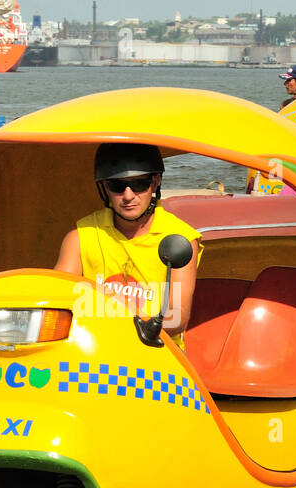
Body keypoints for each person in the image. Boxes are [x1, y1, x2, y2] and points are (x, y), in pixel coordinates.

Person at [54, 143, 202, 344]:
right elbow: (57, 300)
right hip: (94, 348)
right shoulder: (80, 236)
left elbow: (177, 318)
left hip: (155, 349)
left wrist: (118, 329)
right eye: (117, 186)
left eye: (139, 184)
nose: (128, 196)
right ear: (105, 187)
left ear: (155, 182)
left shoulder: (180, 240)